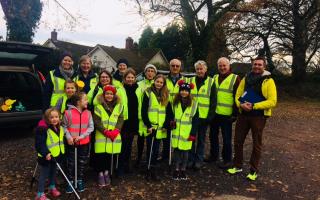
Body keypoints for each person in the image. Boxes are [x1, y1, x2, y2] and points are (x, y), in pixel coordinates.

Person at [227, 56, 277, 181]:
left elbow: (272, 101)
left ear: (264, 66)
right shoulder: (246, 78)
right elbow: (238, 95)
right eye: (255, 64)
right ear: (252, 65)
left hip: (259, 117)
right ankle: (237, 165)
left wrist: (254, 106)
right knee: (238, 141)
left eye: (260, 65)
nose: (257, 66)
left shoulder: (269, 81)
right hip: (243, 115)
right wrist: (240, 104)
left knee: (256, 143)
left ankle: (253, 170)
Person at [207, 57, 240, 169]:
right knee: (212, 136)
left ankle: (227, 160)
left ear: (229, 66)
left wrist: (235, 114)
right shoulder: (214, 77)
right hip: (215, 114)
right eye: (220, 66)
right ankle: (213, 156)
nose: (222, 67)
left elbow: (238, 97)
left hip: (227, 115)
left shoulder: (235, 78)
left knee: (226, 138)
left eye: (224, 65)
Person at [141, 74, 173, 180]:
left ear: (163, 84)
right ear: (154, 81)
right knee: (151, 148)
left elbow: (169, 112)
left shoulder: (165, 94)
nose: (159, 84)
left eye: (161, 82)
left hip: (161, 128)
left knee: (156, 149)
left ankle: (153, 169)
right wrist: (148, 125)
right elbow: (144, 111)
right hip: (152, 127)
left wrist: (166, 125)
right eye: (157, 81)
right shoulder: (148, 93)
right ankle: (148, 169)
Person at [92, 85, 124, 186]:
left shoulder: (119, 107)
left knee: (109, 155)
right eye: (107, 94)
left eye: (111, 94)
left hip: (113, 135)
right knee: (100, 155)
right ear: (104, 95)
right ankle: (100, 174)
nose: (109, 96)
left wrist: (116, 130)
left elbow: (121, 119)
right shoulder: (98, 107)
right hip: (102, 135)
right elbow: (96, 121)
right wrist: (105, 131)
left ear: (114, 95)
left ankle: (107, 172)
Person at [63, 92, 94, 192]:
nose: (87, 101)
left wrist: (81, 137)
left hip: (84, 143)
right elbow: (64, 126)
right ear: (78, 102)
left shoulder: (88, 113)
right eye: (85, 99)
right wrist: (68, 137)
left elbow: (91, 127)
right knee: (71, 163)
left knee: (82, 162)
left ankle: (79, 180)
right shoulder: (68, 113)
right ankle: (70, 181)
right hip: (71, 143)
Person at [188, 60, 215, 170]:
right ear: (195, 70)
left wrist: (210, 117)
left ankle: (199, 160)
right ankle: (190, 159)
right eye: (197, 69)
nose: (199, 71)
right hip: (191, 116)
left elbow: (213, 101)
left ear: (205, 69)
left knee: (201, 140)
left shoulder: (211, 82)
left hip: (204, 117)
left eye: (201, 69)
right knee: (191, 138)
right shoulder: (190, 81)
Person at [35, 108, 65, 200]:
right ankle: (40, 193)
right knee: (44, 175)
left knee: (53, 173)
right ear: (47, 118)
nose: (54, 119)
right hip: (46, 157)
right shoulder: (43, 129)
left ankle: (52, 187)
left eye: (56, 117)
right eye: (51, 117)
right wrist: (46, 153)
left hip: (56, 155)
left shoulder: (60, 128)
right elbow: (39, 144)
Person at [161, 58, 188, 162]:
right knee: (166, 135)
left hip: (179, 112)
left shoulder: (185, 80)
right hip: (166, 111)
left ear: (180, 67)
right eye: (173, 66)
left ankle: (178, 158)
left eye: (177, 66)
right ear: (170, 66)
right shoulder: (164, 79)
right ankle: (166, 156)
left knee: (178, 135)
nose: (175, 68)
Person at [171, 80, 199, 180]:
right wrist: (171, 122)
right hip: (176, 132)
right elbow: (171, 115)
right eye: (182, 90)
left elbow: (195, 120)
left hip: (187, 132)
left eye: (186, 91)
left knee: (186, 152)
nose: (184, 92)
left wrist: (193, 133)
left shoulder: (194, 104)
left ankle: (183, 169)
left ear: (189, 92)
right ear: (179, 91)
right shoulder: (175, 102)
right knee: (177, 151)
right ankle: (176, 169)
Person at [118, 68, 139, 175]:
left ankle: (127, 164)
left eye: (132, 77)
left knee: (130, 144)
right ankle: (120, 166)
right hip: (124, 120)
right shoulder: (121, 89)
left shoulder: (138, 88)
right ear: (124, 78)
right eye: (128, 77)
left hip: (134, 120)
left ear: (135, 78)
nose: (130, 79)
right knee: (123, 144)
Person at [136, 64, 157, 167]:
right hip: (140, 116)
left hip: (151, 117)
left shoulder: (157, 84)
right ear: (145, 72)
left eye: (152, 71)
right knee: (140, 139)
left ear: (155, 74)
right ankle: (139, 158)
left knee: (150, 140)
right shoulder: (139, 84)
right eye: (148, 70)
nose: (150, 73)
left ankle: (148, 160)